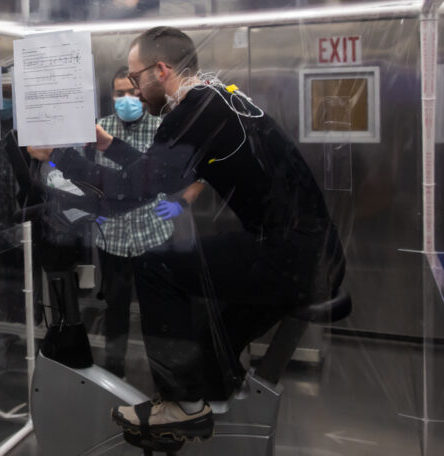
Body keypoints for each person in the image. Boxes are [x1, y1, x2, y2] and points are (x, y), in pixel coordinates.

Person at [28, 26, 345, 443]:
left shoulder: (194, 110)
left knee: (157, 265)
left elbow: (129, 192)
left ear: (161, 70)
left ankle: (182, 404)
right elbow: (162, 171)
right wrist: (108, 147)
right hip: (315, 257)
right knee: (212, 343)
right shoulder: (213, 98)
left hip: (290, 256)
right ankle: (209, 401)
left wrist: (61, 156)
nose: (136, 91)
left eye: (138, 78)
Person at [89, 66, 203, 378]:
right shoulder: (99, 128)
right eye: (119, 93)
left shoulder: (162, 128)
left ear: (141, 93)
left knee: (160, 311)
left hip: (153, 237)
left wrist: (182, 202)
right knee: (115, 308)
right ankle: (114, 371)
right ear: (111, 96)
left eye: (131, 91)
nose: (126, 98)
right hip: (111, 237)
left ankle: (165, 376)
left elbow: (201, 170)